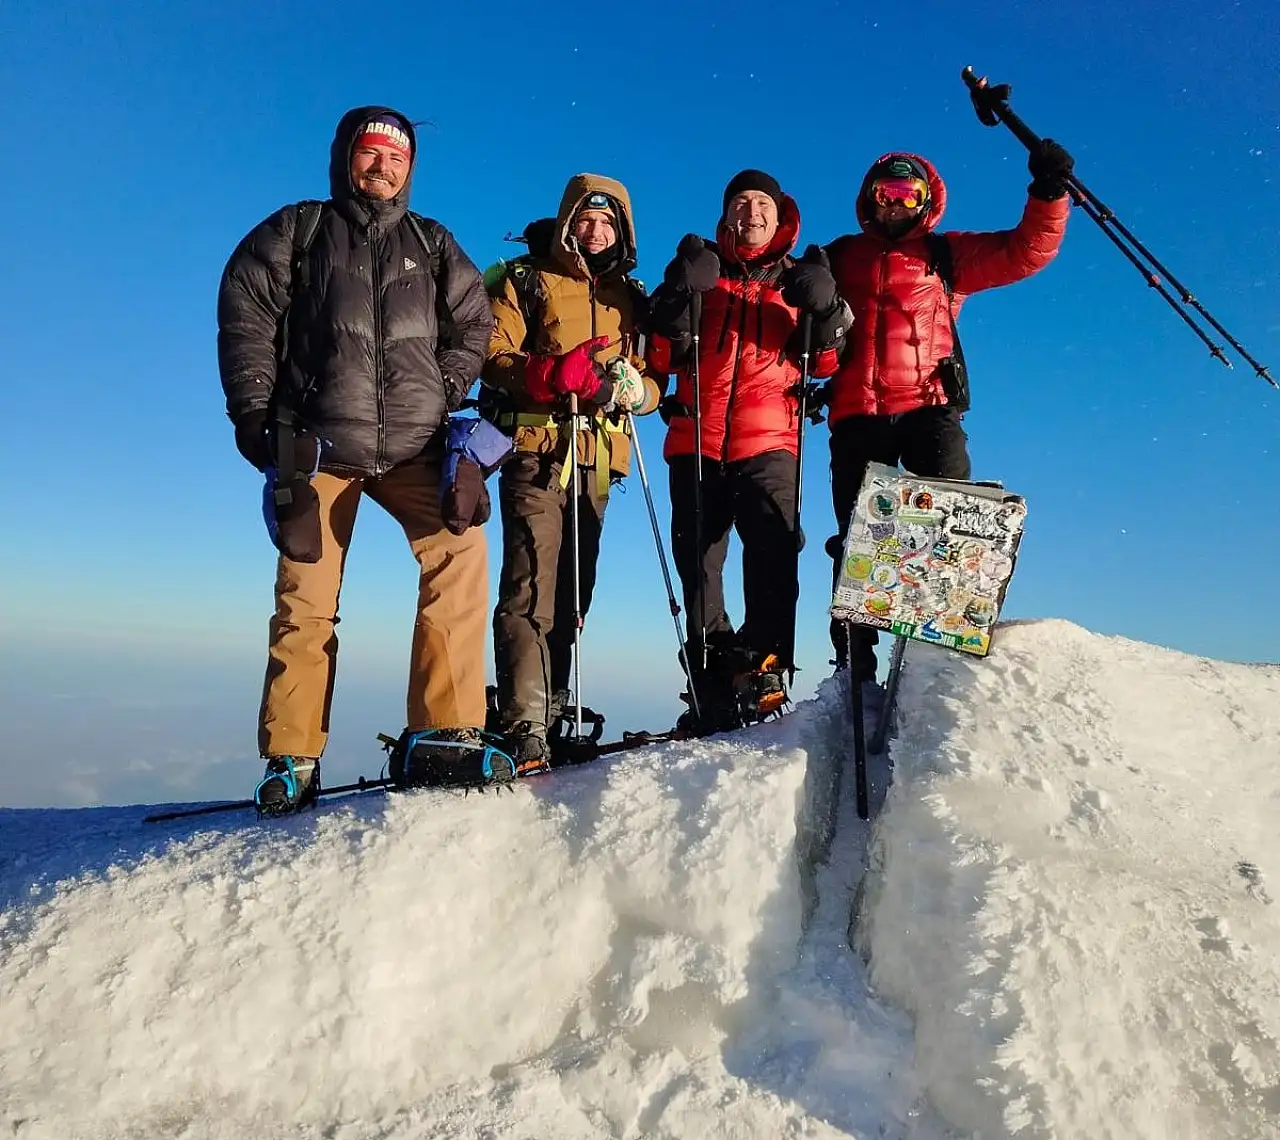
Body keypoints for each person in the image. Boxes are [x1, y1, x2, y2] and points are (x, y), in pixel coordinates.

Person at [217, 106, 497, 813]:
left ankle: (443, 731)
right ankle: (292, 756)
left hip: (413, 445)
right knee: (305, 594)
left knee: (459, 553)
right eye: (371, 154)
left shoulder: (432, 244)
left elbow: (474, 321)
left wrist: (447, 384)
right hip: (321, 445)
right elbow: (246, 309)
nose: (383, 166)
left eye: (396, 159)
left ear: (410, 169)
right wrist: (255, 414)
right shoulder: (300, 230)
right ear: (347, 158)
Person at [821, 142, 1073, 686]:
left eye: (906, 193)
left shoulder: (947, 255)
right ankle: (854, 660)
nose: (893, 203)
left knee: (952, 517)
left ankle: (936, 644)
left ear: (925, 199)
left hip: (926, 406)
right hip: (854, 412)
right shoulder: (840, 255)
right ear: (869, 199)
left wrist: (1048, 194)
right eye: (884, 193)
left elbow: (1024, 251)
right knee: (856, 534)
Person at [647, 170, 851, 733]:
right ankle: (712, 677)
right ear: (726, 215)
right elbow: (661, 356)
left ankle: (762, 669)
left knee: (773, 552)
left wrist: (828, 309)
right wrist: (675, 294)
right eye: (740, 203)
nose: (751, 213)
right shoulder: (700, 271)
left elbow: (829, 363)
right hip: (697, 439)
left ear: (780, 214)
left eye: (761, 203)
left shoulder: (800, 278)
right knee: (698, 565)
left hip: (770, 439)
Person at [481, 174, 662, 772]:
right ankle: (524, 719)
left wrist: (642, 392)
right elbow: (490, 355)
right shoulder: (525, 279)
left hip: (596, 460)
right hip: (536, 448)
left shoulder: (629, 299)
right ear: (566, 221)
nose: (595, 230)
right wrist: (550, 375)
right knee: (531, 582)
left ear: (623, 230)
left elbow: (654, 378)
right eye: (585, 218)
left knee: (574, 591)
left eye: (608, 221)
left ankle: (552, 705)